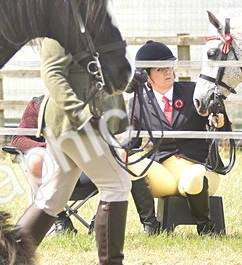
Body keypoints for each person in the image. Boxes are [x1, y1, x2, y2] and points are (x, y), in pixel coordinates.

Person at [14, 0, 161, 265]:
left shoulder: (85, 24)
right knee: (116, 183)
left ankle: (6, 261)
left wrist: (127, 82)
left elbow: (93, 73)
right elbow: (53, 75)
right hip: (73, 124)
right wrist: (81, 115)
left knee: (53, 195)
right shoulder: (60, 25)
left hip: (75, 124)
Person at [10, 94, 161, 235]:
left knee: (120, 164)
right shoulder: (39, 104)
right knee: (38, 165)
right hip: (54, 166)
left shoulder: (93, 106)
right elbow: (18, 139)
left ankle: (106, 224)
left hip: (88, 170)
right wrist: (48, 150)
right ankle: (59, 220)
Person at [127, 40, 229, 235]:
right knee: (129, 161)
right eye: (160, 69)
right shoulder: (137, 102)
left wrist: (218, 118)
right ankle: (150, 226)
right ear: (146, 76)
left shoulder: (195, 92)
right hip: (163, 174)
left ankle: (205, 227)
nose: (168, 72)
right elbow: (133, 145)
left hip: (199, 168)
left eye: (170, 66)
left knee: (193, 177)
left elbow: (224, 128)